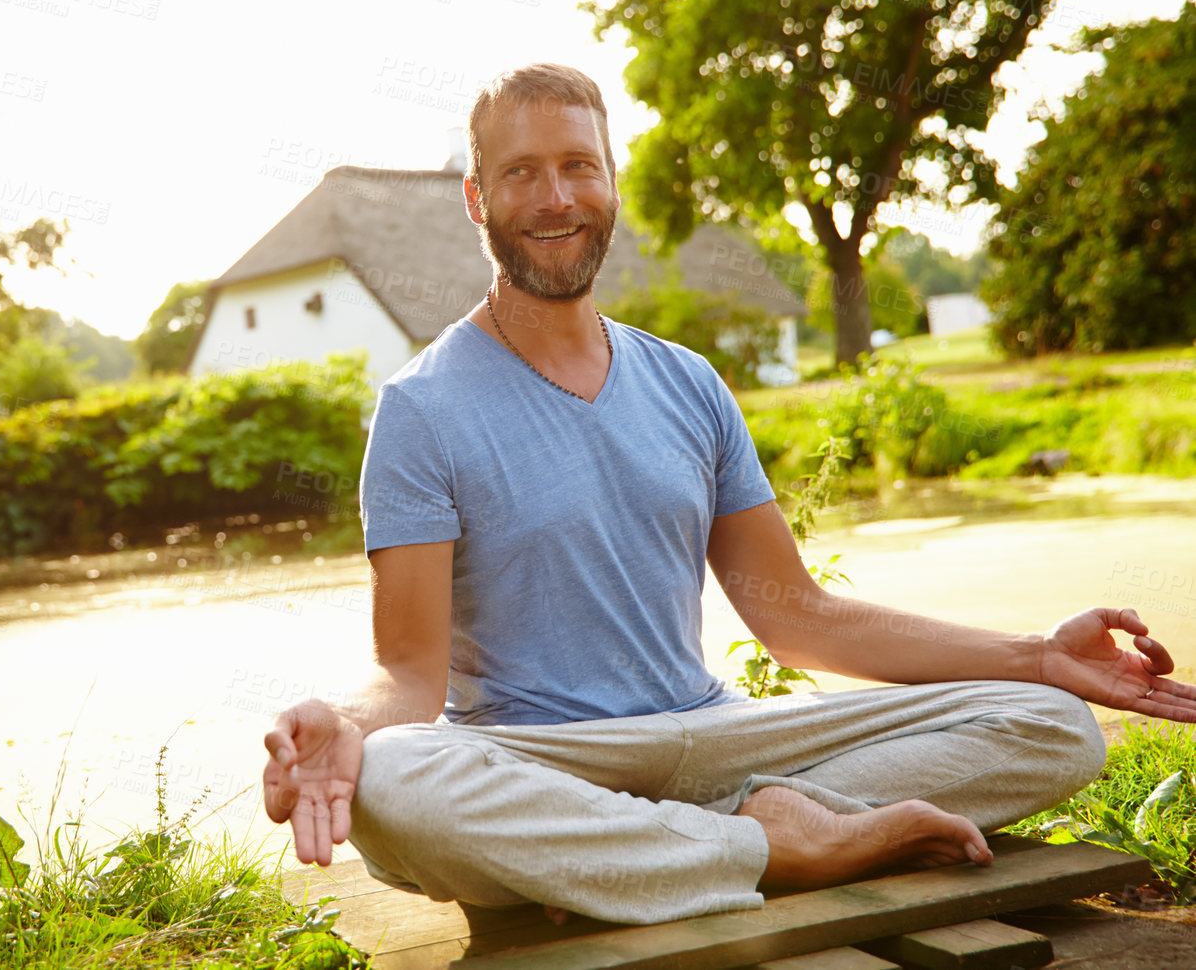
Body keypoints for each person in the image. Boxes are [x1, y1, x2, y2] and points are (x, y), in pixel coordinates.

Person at [260, 62, 1196, 926]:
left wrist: (1035, 655)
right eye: (520, 173)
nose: (555, 198)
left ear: (612, 183)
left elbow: (800, 622)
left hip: (716, 738)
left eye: (579, 166)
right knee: (397, 782)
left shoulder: (690, 383)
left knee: (1053, 724)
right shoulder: (421, 409)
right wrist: (343, 725)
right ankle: (768, 845)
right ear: (476, 198)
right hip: (549, 760)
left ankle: (652, 857)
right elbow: (415, 676)